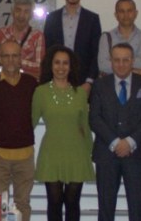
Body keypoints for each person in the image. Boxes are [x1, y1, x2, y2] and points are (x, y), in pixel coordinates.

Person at [89, 43, 141, 221]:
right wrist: (115, 142)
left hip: (136, 154)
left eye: (125, 60)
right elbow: (94, 118)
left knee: (138, 207)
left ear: (132, 61)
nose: (121, 64)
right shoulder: (99, 85)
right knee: (105, 207)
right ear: (111, 61)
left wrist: (130, 142)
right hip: (106, 154)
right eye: (117, 60)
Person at [32, 45, 95, 221]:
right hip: (51, 154)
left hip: (77, 154)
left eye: (65, 63)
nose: (61, 67)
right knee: (54, 203)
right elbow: (30, 123)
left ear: (71, 66)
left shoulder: (80, 93)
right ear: (50, 65)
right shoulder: (40, 92)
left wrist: (91, 152)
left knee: (73, 202)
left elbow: (85, 126)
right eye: (57, 62)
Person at [0, 41, 38, 221]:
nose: (11, 60)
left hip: (24, 156)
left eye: (15, 56)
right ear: (0, 58)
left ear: (21, 58)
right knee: (0, 204)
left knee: (22, 204)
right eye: (6, 56)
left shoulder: (31, 83)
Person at [43, 0, 101, 93]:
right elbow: (48, 51)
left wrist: (89, 82)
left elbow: (96, 53)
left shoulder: (92, 19)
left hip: (83, 81)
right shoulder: (52, 18)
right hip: (56, 78)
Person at [0, 0, 45, 79]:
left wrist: (12, 61)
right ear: (12, 12)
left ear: (31, 15)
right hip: (3, 82)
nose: (21, 15)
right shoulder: (0, 34)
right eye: (18, 10)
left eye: (26, 11)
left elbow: (40, 67)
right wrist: (23, 64)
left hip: (27, 83)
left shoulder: (37, 36)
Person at [97, 0, 141, 77]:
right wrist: (134, 70)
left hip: (135, 83)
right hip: (110, 83)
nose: (126, 15)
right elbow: (103, 65)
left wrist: (115, 63)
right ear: (116, 15)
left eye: (129, 11)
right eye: (122, 11)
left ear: (136, 13)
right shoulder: (106, 37)